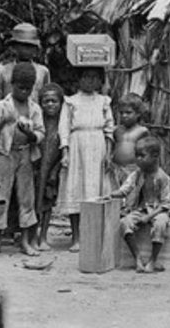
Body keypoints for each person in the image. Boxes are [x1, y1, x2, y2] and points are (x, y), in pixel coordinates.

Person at [0, 62, 45, 256]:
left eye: (28, 89)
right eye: (20, 87)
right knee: (1, 196)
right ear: (12, 85)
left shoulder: (34, 108)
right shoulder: (2, 106)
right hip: (5, 153)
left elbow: (40, 133)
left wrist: (30, 135)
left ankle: (26, 241)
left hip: (25, 153)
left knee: (26, 196)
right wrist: (3, 122)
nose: (24, 92)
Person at [59, 66, 114, 251]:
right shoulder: (71, 102)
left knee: (95, 190)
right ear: (79, 80)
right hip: (77, 146)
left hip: (97, 145)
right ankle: (76, 238)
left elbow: (109, 128)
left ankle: (94, 236)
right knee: (76, 189)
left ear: (100, 81)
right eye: (86, 77)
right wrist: (65, 152)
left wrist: (108, 152)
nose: (90, 81)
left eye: (94, 77)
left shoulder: (104, 101)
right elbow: (64, 128)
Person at [111, 134, 170, 273]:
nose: (137, 159)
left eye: (142, 156)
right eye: (136, 155)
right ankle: (138, 259)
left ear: (155, 156)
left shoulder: (163, 178)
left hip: (157, 211)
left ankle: (153, 260)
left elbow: (166, 204)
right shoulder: (137, 174)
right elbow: (125, 189)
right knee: (124, 223)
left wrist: (149, 217)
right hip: (140, 209)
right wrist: (111, 194)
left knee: (160, 224)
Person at [34, 83, 65, 250]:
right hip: (36, 168)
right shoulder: (38, 121)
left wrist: (56, 170)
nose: (50, 104)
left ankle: (44, 236)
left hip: (52, 170)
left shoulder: (64, 124)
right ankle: (32, 236)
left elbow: (65, 150)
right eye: (46, 101)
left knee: (47, 204)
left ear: (61, 103)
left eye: (54, 101)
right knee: (32, 202)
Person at [0, 23, 51, 105]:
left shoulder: (42, 71)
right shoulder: (4, 70)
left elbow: (46, 97)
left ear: (35, 49)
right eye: (23, 46)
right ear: (14, 47)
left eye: (30, 46)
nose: (26, 50)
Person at [112, 93, 150, 198]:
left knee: (132, 195)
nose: (124, 116)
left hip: (134, 169)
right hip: (117, 169)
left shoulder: (142, 131)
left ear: (138, 114)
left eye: (128, 113)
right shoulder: (117, 130)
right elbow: (113, 147)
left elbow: (146, 151)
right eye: (121, 113)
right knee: (117, 194)